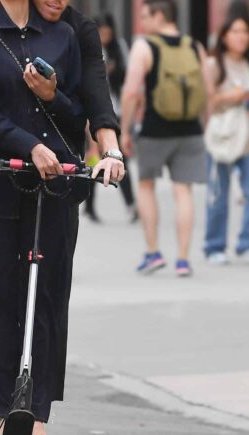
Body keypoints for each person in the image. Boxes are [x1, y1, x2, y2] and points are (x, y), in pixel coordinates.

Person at [0, 0, 125, 434]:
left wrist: (57, 101)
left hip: (54, 185)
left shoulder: (66, 35)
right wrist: (26, 144)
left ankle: (38, 414)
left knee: (46, 301)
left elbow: (80, 111)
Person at [121, 0, 213, 277]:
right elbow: (207, 93)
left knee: (147, 186)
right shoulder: (195, 47)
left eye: (146, 16)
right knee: (183, 191)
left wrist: (124, 129)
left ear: (160, 15)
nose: (144, 23)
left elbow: (130, 92)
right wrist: (203, 125)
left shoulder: (144, 47)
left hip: (154, 130)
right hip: (190, 130)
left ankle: (153, 252)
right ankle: (183, 259)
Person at [83, 13, 137, 223]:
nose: (104, 36)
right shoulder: (87, 46)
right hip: (91, 114)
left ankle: (131, 204)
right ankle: (89, 206)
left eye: (107, 33)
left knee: (119, 160)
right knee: (91, 160)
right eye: (101, 32)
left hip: (115, 113)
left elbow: (128, 83)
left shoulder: (119, 48)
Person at [204, 15, 249, 265]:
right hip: (221, 138)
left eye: (245, 32)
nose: (242, 37)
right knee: (219, 195)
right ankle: (214, 246)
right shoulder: (213, 64)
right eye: (236, 32)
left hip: (247, 139)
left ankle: (245, 241)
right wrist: (235, 96)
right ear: (224, 36)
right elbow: (208, 102)